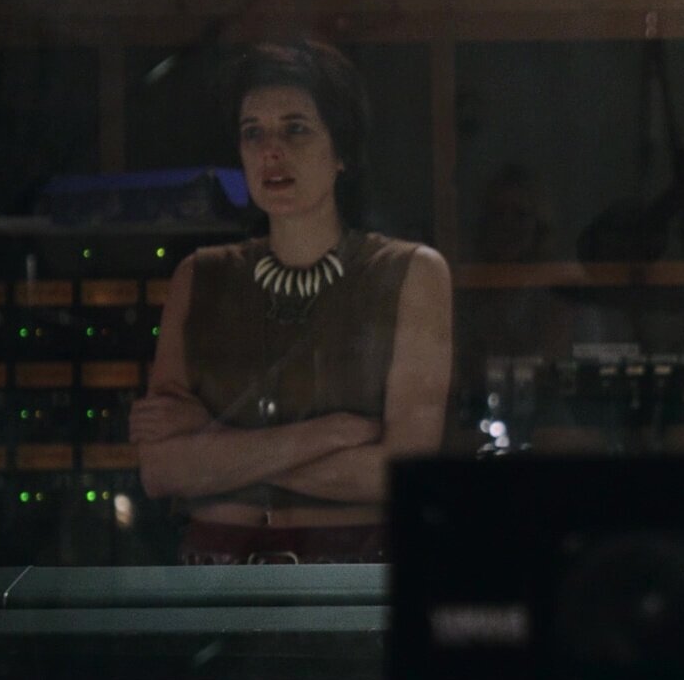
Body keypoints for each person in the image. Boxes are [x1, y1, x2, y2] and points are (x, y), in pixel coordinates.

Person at [128, 39, 453, 564]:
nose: (270, 151)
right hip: (216, 568)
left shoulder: (409, 272)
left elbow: (400, 475)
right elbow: (161, 471)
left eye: (295, 129)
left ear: (341, 150)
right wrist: (328, 434)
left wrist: (213, 445)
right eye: (252, 132)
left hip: (351, 569)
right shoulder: (199, 276)